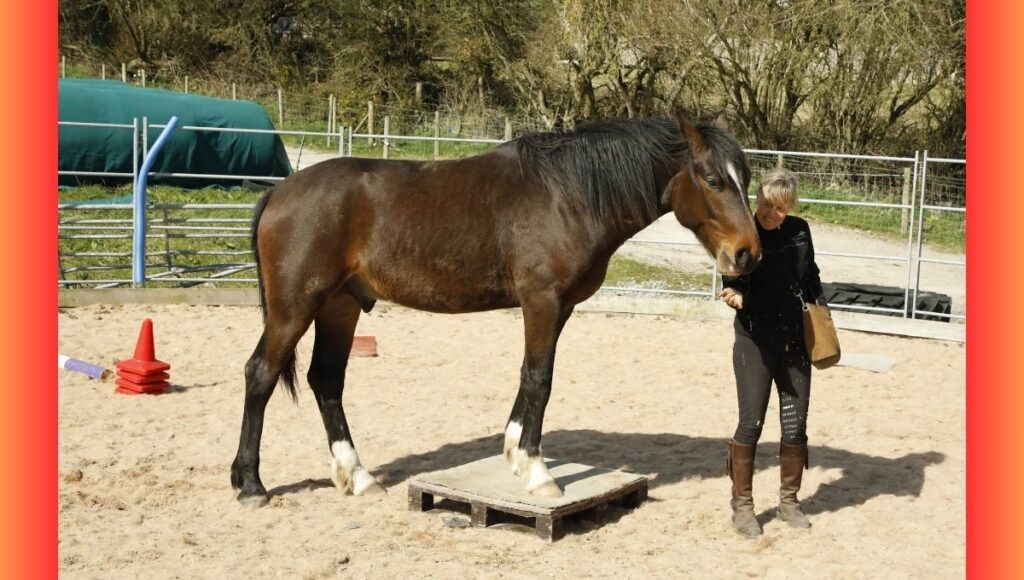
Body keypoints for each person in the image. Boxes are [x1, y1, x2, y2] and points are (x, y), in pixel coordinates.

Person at [719, 167, 825, 538]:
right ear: (757, 199)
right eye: (765, 204)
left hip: (795, 341)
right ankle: (743, 507)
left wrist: (821, 311)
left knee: (796, 425)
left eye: (778, 208)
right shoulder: (742, 228)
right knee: (752, 423)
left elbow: (809, 275)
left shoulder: (800, 230)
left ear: (789, 206)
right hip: (754, 341)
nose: (769, 212)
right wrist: (735, 294)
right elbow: (731, 276)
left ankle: (789, 503)